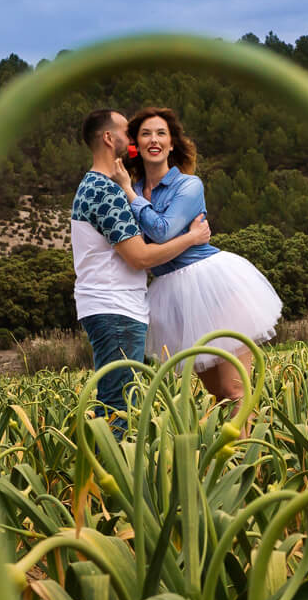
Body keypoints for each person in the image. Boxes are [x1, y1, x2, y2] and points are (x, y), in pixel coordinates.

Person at [114, 106, 282, 408]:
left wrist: (128, 191)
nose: (154, 139)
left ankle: (247, 454)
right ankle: (227, 454)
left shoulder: (188, 185)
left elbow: (162, 232)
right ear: (135, 145)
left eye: (161, 133)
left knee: (236, 390)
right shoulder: (135, 189)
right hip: (170, 293)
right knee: (218, 394)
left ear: (172, 143)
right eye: (146, 134)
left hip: (211, 283)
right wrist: (190, 236)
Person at [72, 108, 212, 435]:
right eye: (126, 132)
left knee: (116, 400)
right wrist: (193, 237)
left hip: (108, 305)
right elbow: (140, 257)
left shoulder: (97, 185)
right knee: (118, 406)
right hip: (116, 307)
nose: (133, 139)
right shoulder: (107, 191)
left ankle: (100, 478)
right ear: (109, 138)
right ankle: (107, 480)